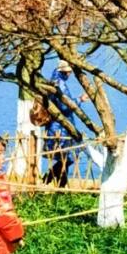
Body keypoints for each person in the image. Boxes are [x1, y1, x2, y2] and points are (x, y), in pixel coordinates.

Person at [43, 61, 75, 189]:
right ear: (65, 72)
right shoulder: (60, 85)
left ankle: (57, 185)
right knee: (66, 158)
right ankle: (50, 179)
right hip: (60, 127)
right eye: (69, 72)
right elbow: (65, 106)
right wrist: (79, 100)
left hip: (55, 126)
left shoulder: (53, 81)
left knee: (64, 158)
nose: (70, 74)